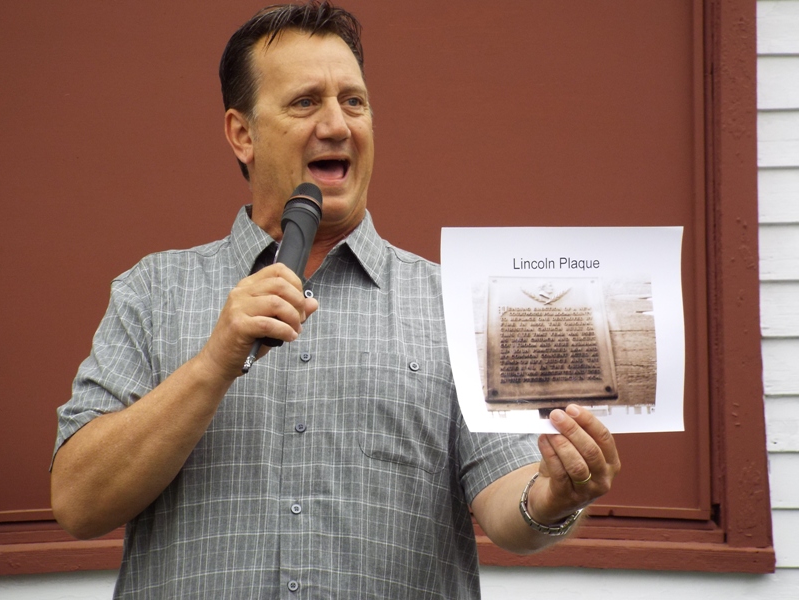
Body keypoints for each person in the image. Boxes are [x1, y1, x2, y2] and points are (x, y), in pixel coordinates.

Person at [51, 2, 620, 597]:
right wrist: (214, 363)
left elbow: (509, 501)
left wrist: (554, 497)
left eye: (354, 101)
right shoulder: (152, 292)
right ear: (242, 134)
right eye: (305, 102)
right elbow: (77, 503)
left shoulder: (455, 303)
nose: (337, 125)